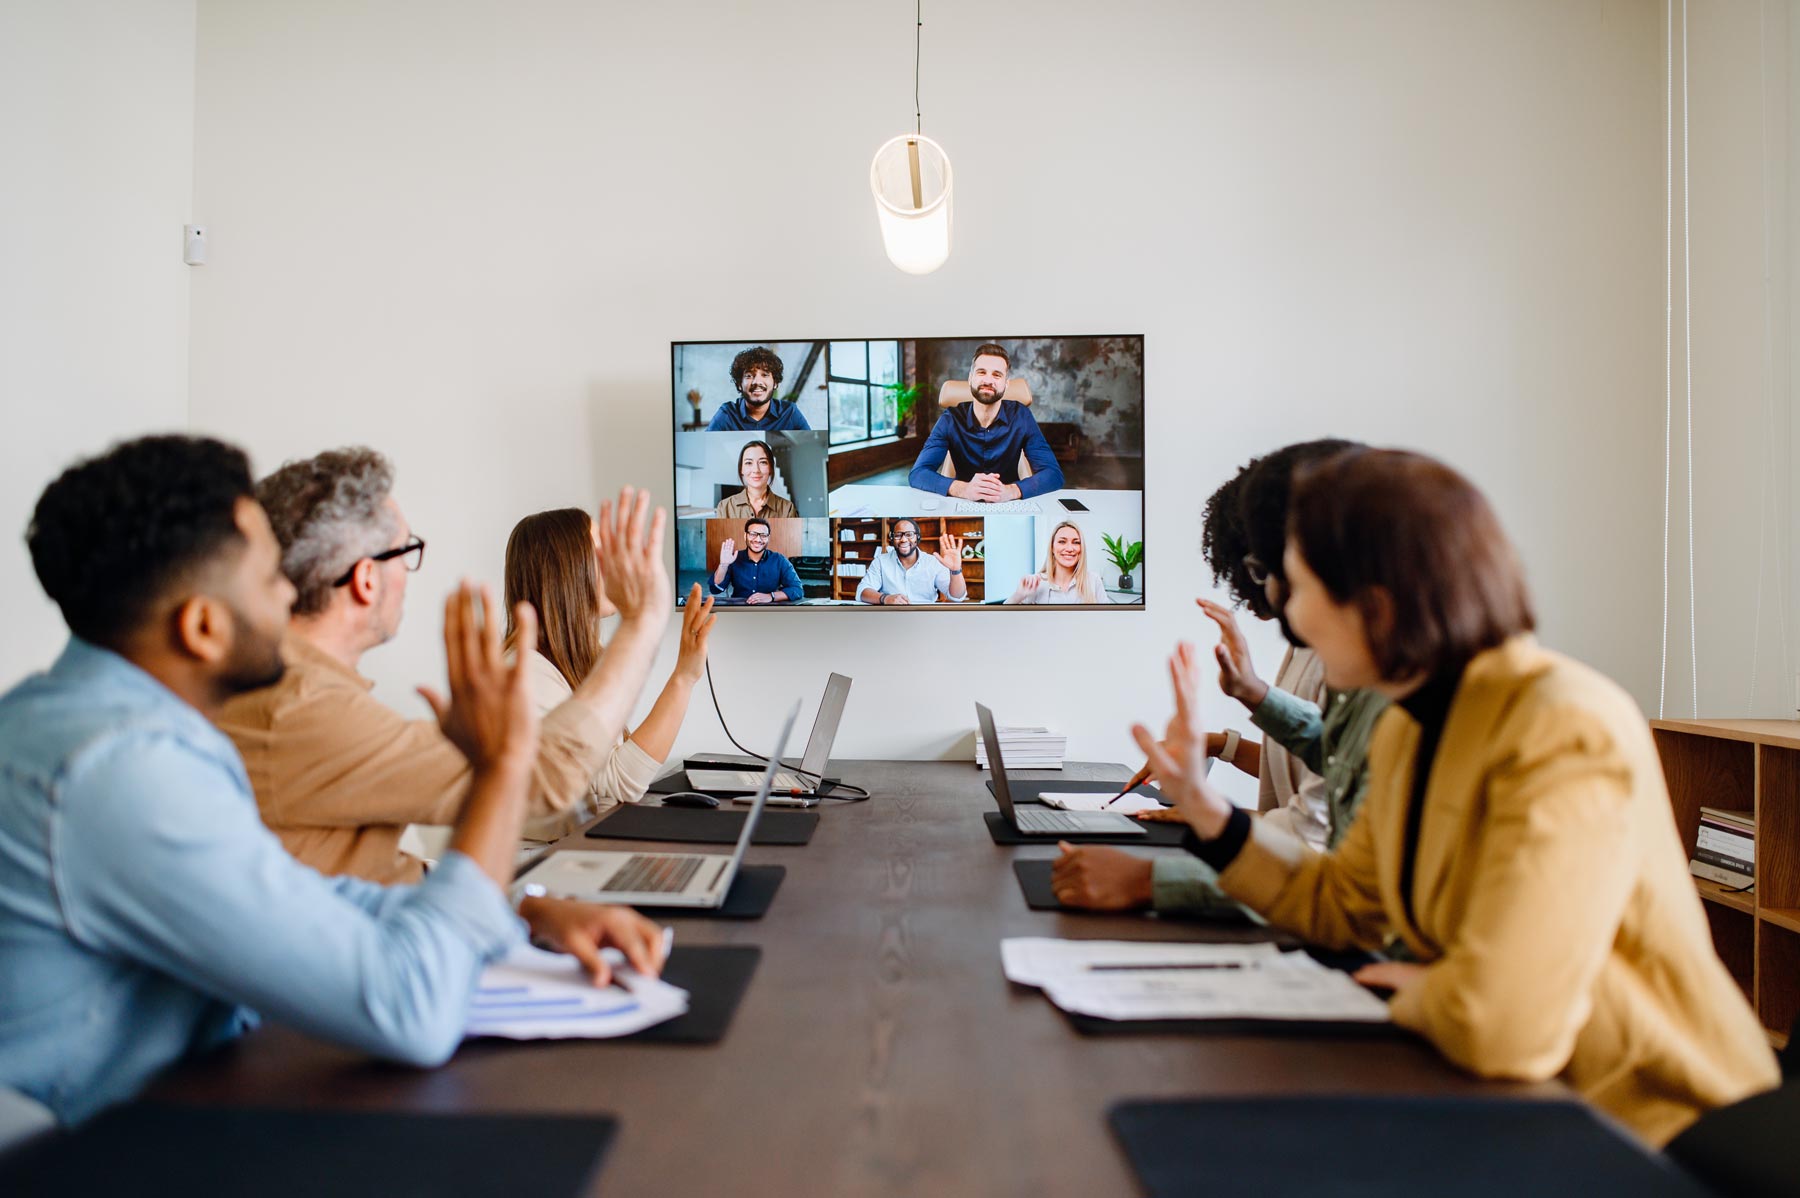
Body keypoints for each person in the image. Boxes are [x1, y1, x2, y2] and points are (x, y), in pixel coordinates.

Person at [0, 435, 666, 1125]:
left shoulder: (80, 721)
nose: (294, 591)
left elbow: (298, 897)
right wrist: (498, 770)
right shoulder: (124, 771)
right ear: (201, 627)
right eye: (270, 580)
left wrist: (520, 913)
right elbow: (413, 1009)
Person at [1137, 447, 1780, 1146]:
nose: (1288, 614)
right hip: (1509, 1096)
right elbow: (1345, 904)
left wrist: (1413, 992)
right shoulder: (1411, 725)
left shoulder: (1563, 725)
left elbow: (1503, 1026)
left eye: (1297, 586)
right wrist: (1206, 813)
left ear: (1374, 603)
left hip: (1654, 1127)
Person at [214, 447, 674, 884]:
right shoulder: (306, 711)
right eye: (405, 550)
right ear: (366, 580)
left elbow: (374, 870)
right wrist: (644, 621)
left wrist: (529, 908)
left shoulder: (304, 695)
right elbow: (542, 781)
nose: (409, 572)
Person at [501, 508, 717, 838]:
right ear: (567, 572)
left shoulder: (583, 658)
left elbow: (612, 771)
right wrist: (683, 679)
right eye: (601, 553)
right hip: (543, 864)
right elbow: (621, 783)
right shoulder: (527, 674)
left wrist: (684, 674)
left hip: (581, 847)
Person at [907, 343, 1064, 500]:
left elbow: (1054, 474)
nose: (988, 380)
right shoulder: (950, 419)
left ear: (1006, 384)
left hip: (1008, 503)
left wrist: (1012, 490)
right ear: (971, 378)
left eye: (997, 375)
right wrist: (963, 489)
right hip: (963, 502)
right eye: (981, 372)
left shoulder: (1021, 416)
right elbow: (918, 473)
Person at [857, 518, 967, 605]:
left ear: (917, 538)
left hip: (925, 619)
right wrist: (885, 598)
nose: (903, 539)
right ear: (892, 538)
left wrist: (956, 570)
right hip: (890, 619)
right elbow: (862, 592)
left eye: (909, 534)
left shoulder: (932, 562)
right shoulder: (880, 561)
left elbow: (956, 598)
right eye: (898, 535)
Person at [706, 346, 811, 431]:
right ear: (739, 384)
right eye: (749, 376)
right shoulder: (727, 414)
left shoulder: (790, 412)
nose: (757, 382)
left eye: (765, 375)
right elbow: (706, 448)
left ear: (775, 383)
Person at [1005, 520, 1100, 603]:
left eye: (1076, 542)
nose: (1070, 548)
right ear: (1052, 548)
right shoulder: (1036, 583)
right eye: (1062, 541)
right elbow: (1001, 617)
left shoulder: (1094, 580)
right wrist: (1018, 595)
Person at [710, 516, 800, 603]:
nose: (758, 539)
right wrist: (723, 565)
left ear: (768, 538)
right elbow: (715, 589)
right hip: (739, 609)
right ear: (745, 536)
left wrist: (771, 596)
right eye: (753, 534)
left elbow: (797, 589)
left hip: (768, 610)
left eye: (763, 535)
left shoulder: (779, 560)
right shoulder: (734, 558)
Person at [715, 440, 797, 519]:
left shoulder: (787, 509)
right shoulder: (724, 507)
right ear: (741, 469)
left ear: (771, 468)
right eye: (749, 463)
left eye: (763, 462)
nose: (756, 470)